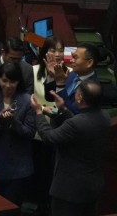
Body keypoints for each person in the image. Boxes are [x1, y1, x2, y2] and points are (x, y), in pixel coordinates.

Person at [32, 79, 111, 216]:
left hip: (69, 191)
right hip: (92, 186)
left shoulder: (76, 124)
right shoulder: (104, 117)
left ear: (80, 98)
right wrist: (63, 109)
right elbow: (79, 125)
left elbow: (49, 137)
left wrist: (39, 113)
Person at [0, 61, 36, 203]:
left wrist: (13, 122)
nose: (8, 85)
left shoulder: (27, 100)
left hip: (17, 167)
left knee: (11, 209)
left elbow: (30, 133)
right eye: (4, 81)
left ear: (18, 82)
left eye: (12, 81)